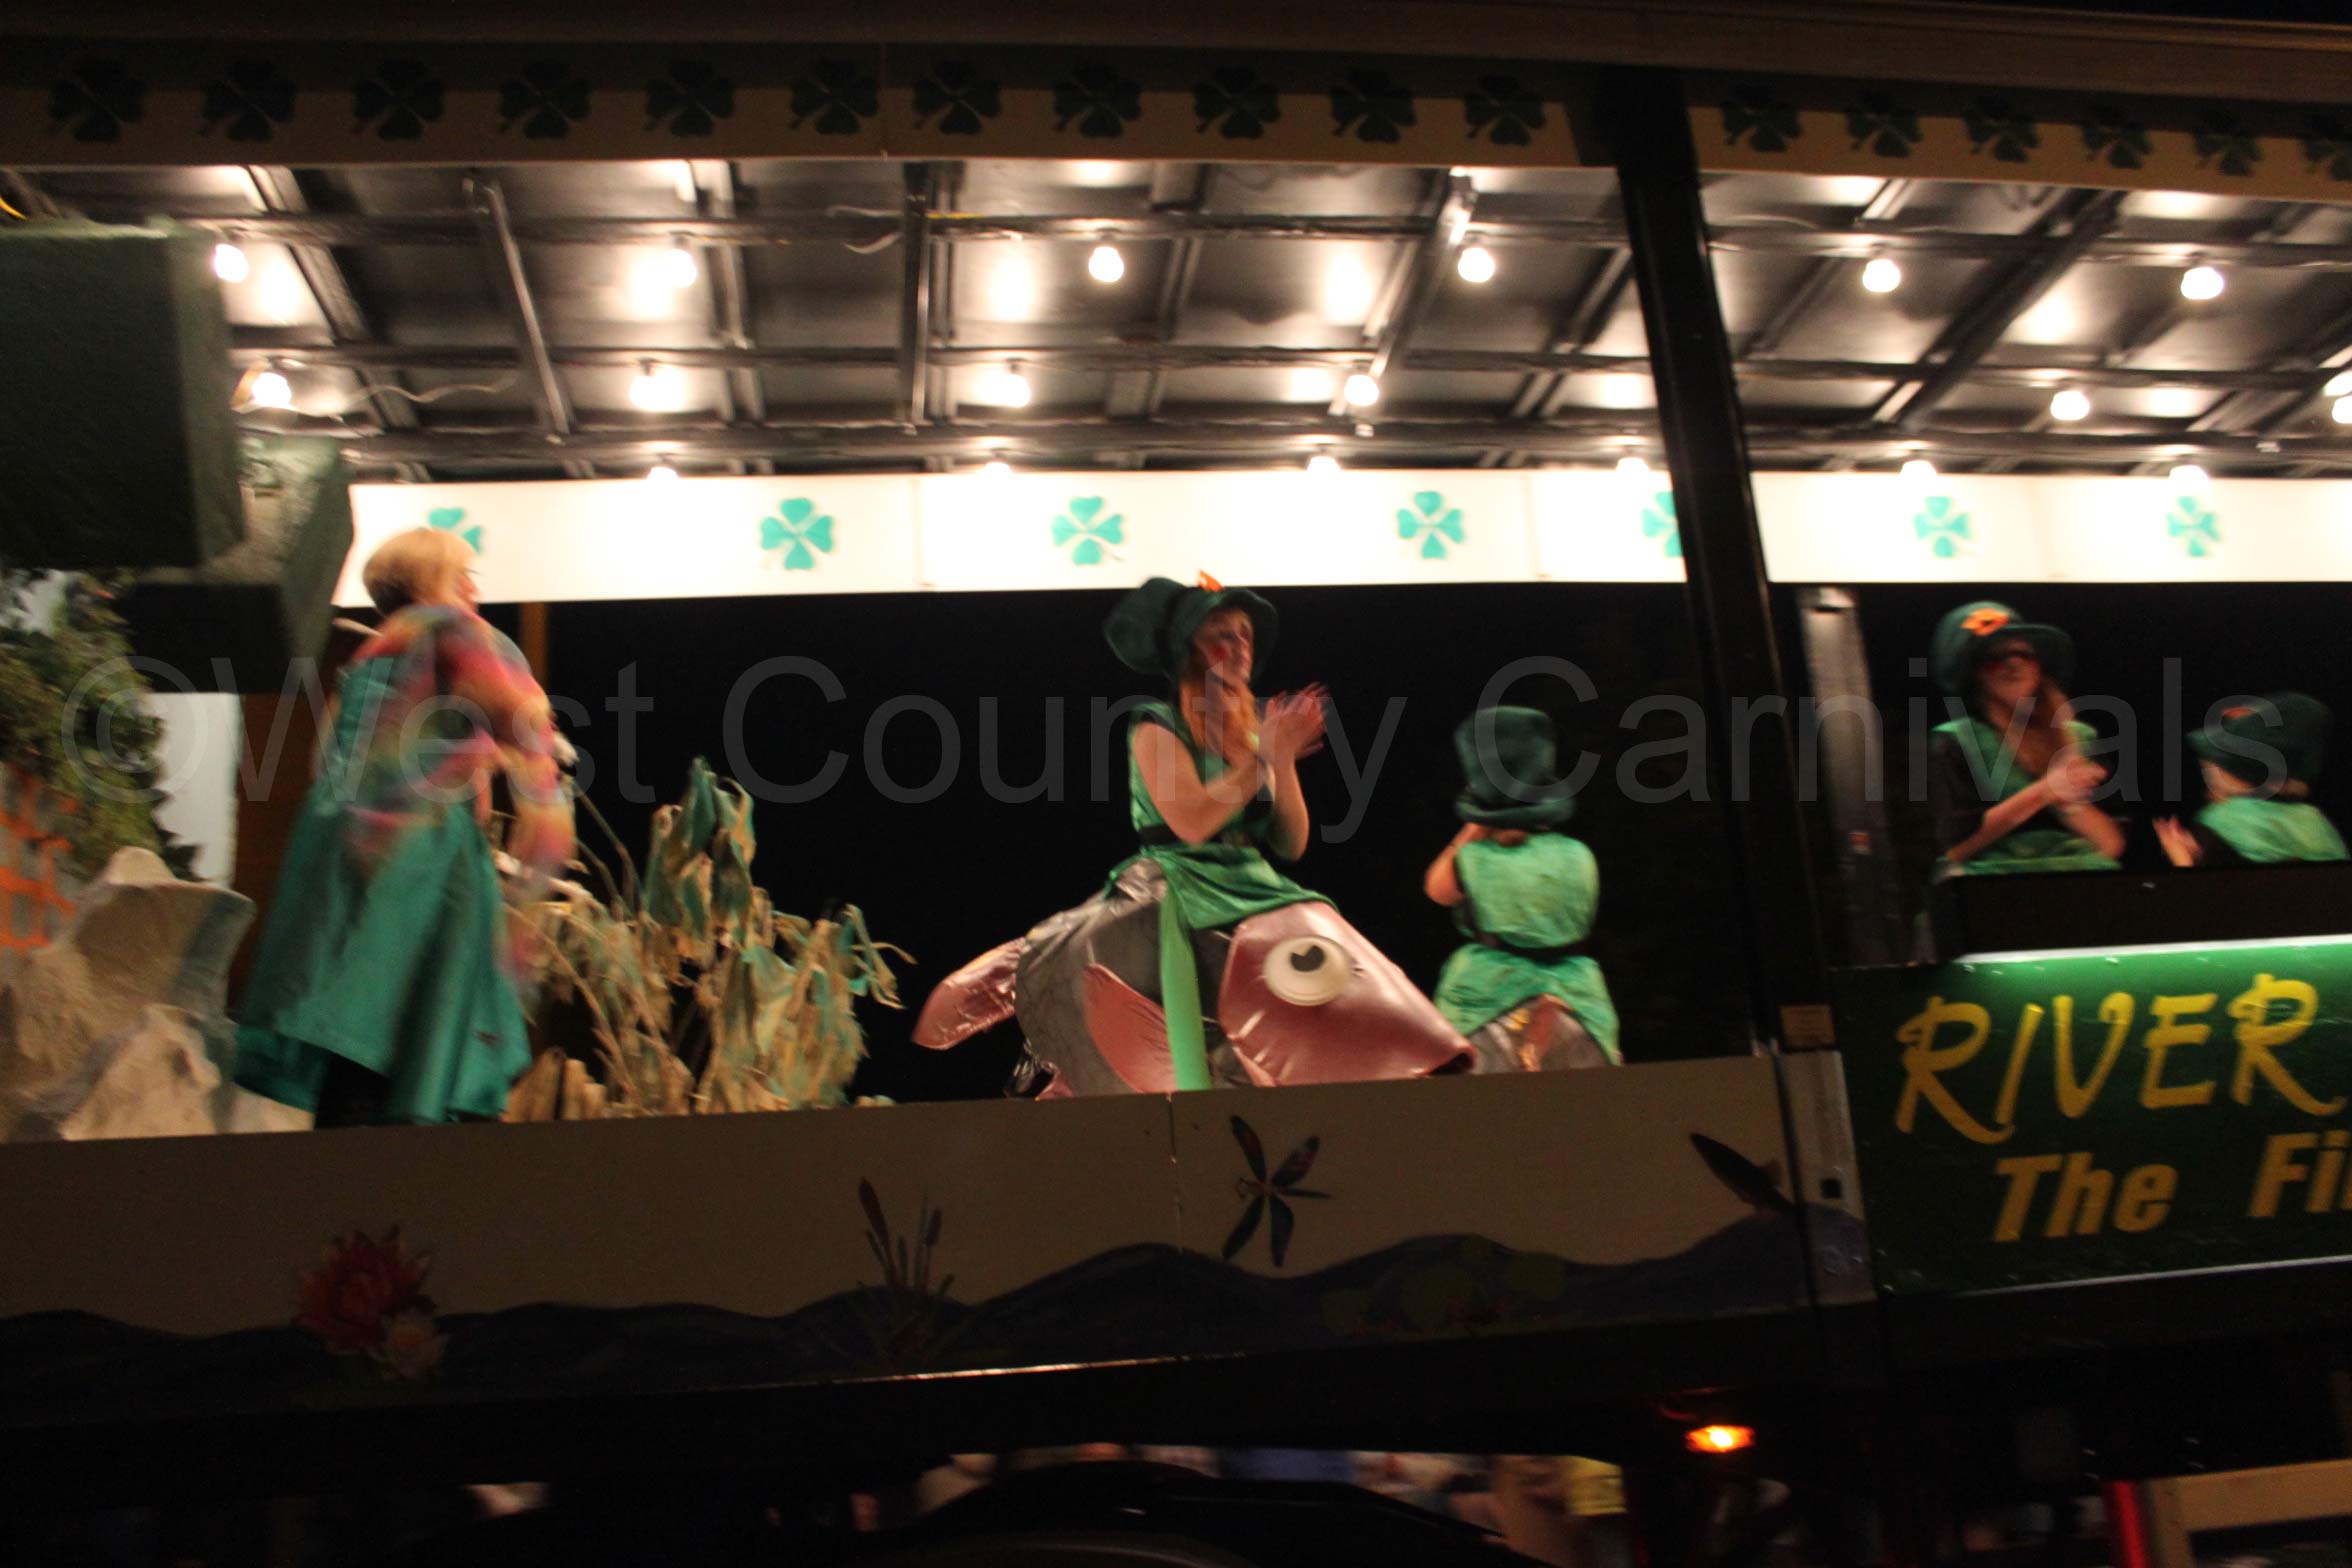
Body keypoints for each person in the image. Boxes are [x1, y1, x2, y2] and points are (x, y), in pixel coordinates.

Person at [234, 527, 574, 1126]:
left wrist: (472, 755)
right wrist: (529, 767)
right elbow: (524, 714)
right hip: (419, 850)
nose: (472, 590)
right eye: (463, 576)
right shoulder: (452, 629)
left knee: (355, 1015)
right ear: (430, 579)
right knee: (415, 1014)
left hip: (337, 844)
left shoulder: (372, 652)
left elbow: (329, 756)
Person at [1424, 707, 1618, 1071]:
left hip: (1490, 994)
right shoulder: (1578, 854)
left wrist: (1478, 823)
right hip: (1578, 991)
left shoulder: (1476, 857)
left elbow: (1438, 889)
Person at [1926, 601, 2124, 879]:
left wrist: (2067, 801)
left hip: (2078, 881)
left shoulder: (2080, 737)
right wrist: (2044, 791)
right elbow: (1956, 848)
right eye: (1995, 657)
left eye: (2024, 654)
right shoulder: (1956, 741)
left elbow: (2112, 845)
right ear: (1976, 673)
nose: (2013, 663)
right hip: (1993, 886)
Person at [2156, 692, 2347, 867]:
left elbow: (2225, 893)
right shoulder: (2318, 827)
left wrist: (2184, 863)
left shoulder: (2223, 822)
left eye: (2213, 764)